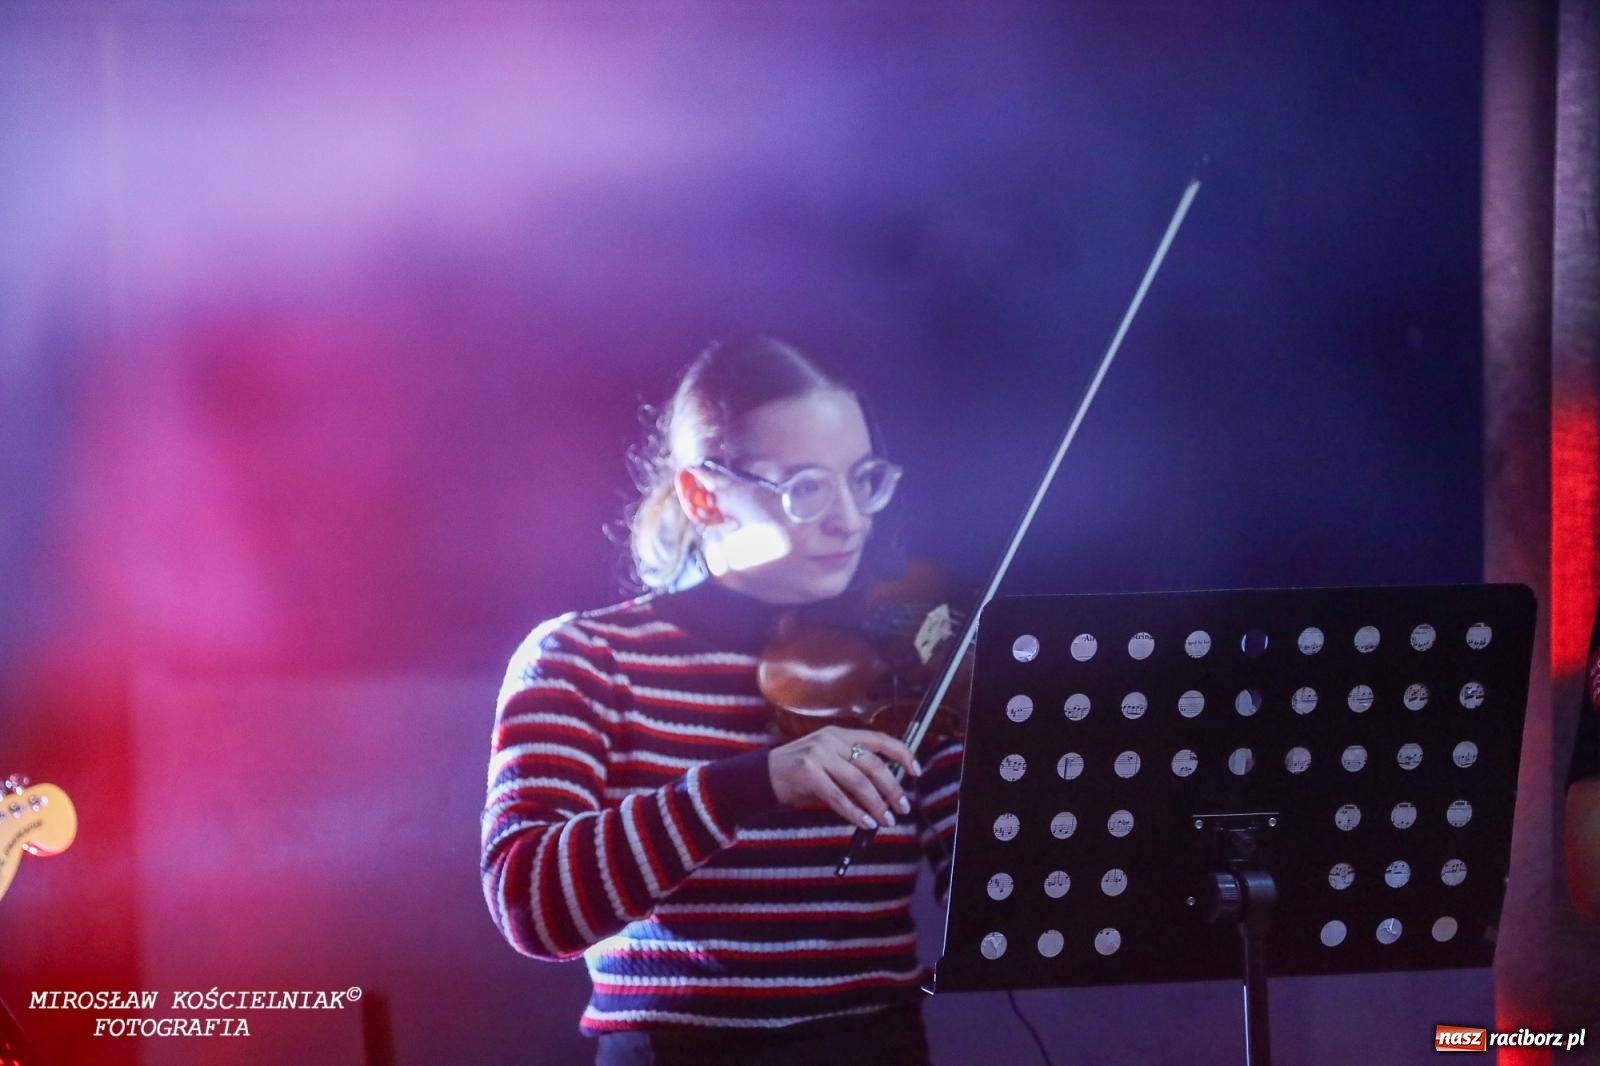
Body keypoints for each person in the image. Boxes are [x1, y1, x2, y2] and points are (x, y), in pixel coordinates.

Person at [480, 337, 963, 1066]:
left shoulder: (908, 659)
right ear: (705, 497)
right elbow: (533, 906)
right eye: (805, 488)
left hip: (876, 1049)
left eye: (863, 479)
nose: (851, 520)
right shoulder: (583, 659)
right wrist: (754, 782)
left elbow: (990, 884)